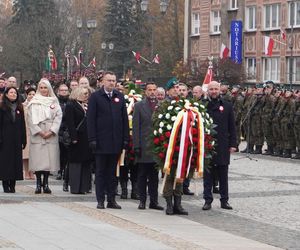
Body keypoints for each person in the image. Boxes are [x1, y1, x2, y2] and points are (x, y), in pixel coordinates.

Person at [87, 71, 129, 209]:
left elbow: (124, 120)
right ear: (103, 82)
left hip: (115, 141)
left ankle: (111, 199)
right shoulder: (95, 97)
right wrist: (92, 138)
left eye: (113, 80)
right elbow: (91, 120)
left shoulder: (119, 97)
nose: (112, 83)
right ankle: (100, 199)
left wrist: (125, 139)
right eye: (109, 80)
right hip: (100, 141)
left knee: (113, 173)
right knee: (100, 172)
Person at [202, 81, 237, 210]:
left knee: (223, 175)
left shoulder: (227, 106)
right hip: (207, 144)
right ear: (208, 91)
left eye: (216, 89)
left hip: (222, 144)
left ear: (220, 90)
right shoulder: (202, 105)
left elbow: (232, 127)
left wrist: (233, 143)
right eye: (211, 89)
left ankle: (224, 200)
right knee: (208, 175)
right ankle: (207, 200)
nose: (214, 91)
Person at [27, 78, 62, 194]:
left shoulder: (54, 102)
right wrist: (39, 131)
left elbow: (58, 117)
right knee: (38, 162)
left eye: (45, 87)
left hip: (50, 134)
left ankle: (46, 183)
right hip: (38, 135)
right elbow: (30, 119)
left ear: (49, 88)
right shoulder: (34, 102)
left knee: (48, 161)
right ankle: (38, 183)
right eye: (41, 88)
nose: (43, 90)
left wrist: (51, 131)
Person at [133, 82, 164, 210]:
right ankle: (142, 200)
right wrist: (136, 145)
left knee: (154, 176)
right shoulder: (139, 106)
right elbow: (136, 127)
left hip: (157, 146)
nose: (152, 92)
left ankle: (154, 201)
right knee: (142, 175)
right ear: (145, 92)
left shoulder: (162, 106)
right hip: (143, 146)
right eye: (149, 90)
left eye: (154, 89)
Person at [65, 86, 92, 194]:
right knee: (76, 163)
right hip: (76, 138)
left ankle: (84, 187)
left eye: (87, 94)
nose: (86, 96)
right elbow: (70, 122)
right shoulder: (71, 105)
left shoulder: (86, 105)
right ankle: (76, 187)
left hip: (86, 138)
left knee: (85, 162)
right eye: (84, 93)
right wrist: (73, 137)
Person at [0, 87, 26, 193]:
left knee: (15, 162)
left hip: (16, 139)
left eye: (15, 92)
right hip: (5, 139)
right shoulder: (2, 108)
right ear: (6, 94)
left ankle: (13, 184)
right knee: (6, 162)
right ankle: (6, 184)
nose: (13, 94)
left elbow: (22, 125)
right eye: (11, 92)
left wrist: (24, 140)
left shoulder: (20, 108)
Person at [56, 84, 70, 181]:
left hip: (67, 130)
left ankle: (65, 171)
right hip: (58, 130)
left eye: (66, 90)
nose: (64, 92)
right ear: (58, 91)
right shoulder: (55, 102)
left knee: (66, 153)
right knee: (59, 153)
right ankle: (59, 170)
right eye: (62, 90)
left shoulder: (71, 102)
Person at [22, 87, 36, 180]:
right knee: (26, 154)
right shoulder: (23, 105)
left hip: (35, 131)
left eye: (33, 94)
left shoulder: (37, 105)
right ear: (27, 95)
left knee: (34, 154)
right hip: (26, 130)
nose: (31, 96)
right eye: (30, 94)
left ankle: (32, 171)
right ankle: (26, 171)